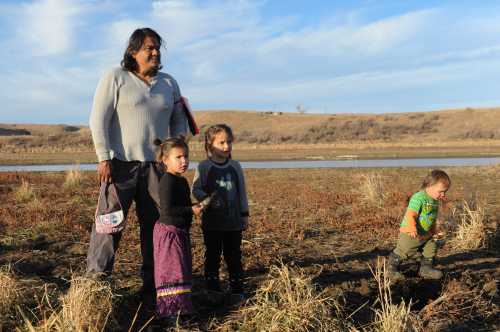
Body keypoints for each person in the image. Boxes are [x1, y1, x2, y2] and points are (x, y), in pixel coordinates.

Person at [87, 27, 188, 305]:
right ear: (134, 52)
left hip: (156, 170)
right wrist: (103, 157)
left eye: (157, 47)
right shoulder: (115, 77)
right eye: (149, 48)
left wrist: (175, 148)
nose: (155, 52)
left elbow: (179, 119)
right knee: (108, 227)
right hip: (120, 166)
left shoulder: (169, 83)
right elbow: (98, 119)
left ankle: (152, 286)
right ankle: (96, 286)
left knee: (155, 227)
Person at [191, 124, 249, 298]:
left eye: (229, 142)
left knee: (234, 256)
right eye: (221, 142)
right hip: (212, 223)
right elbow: (195, 189)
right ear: (210, 144)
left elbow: (242, 192)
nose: (226, 146)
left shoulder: (235, 166)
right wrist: (209, 199)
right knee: (212, 255)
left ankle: (237, 290)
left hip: (233, 223)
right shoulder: (203, 167)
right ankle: (213, 289)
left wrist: (244, 214)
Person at [153, 137, 203, 320]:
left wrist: (196, 206)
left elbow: (181, 204)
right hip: (169, 234)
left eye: (186, 156)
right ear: (165, 160)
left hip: (180, 232)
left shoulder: (181, 181)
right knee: (172, 272)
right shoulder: (167, 181)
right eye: (178, 157)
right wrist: (191, 209)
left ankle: (181, 310)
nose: (184, 161)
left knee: (181, 269)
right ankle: (170, 313)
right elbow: (167, 209)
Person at [387, 169, 451, 281]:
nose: (443, 195)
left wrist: (433, 230)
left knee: (431, 248)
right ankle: (391, 269)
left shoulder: (434, 201)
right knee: (404, 251)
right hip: (411, 232)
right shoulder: (419, 197)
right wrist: (411, 228)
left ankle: (425, 269)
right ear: (430, 185)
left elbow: (432, 217)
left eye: (445, 192)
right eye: (440, 191)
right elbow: (410, 214)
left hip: (426, 233)